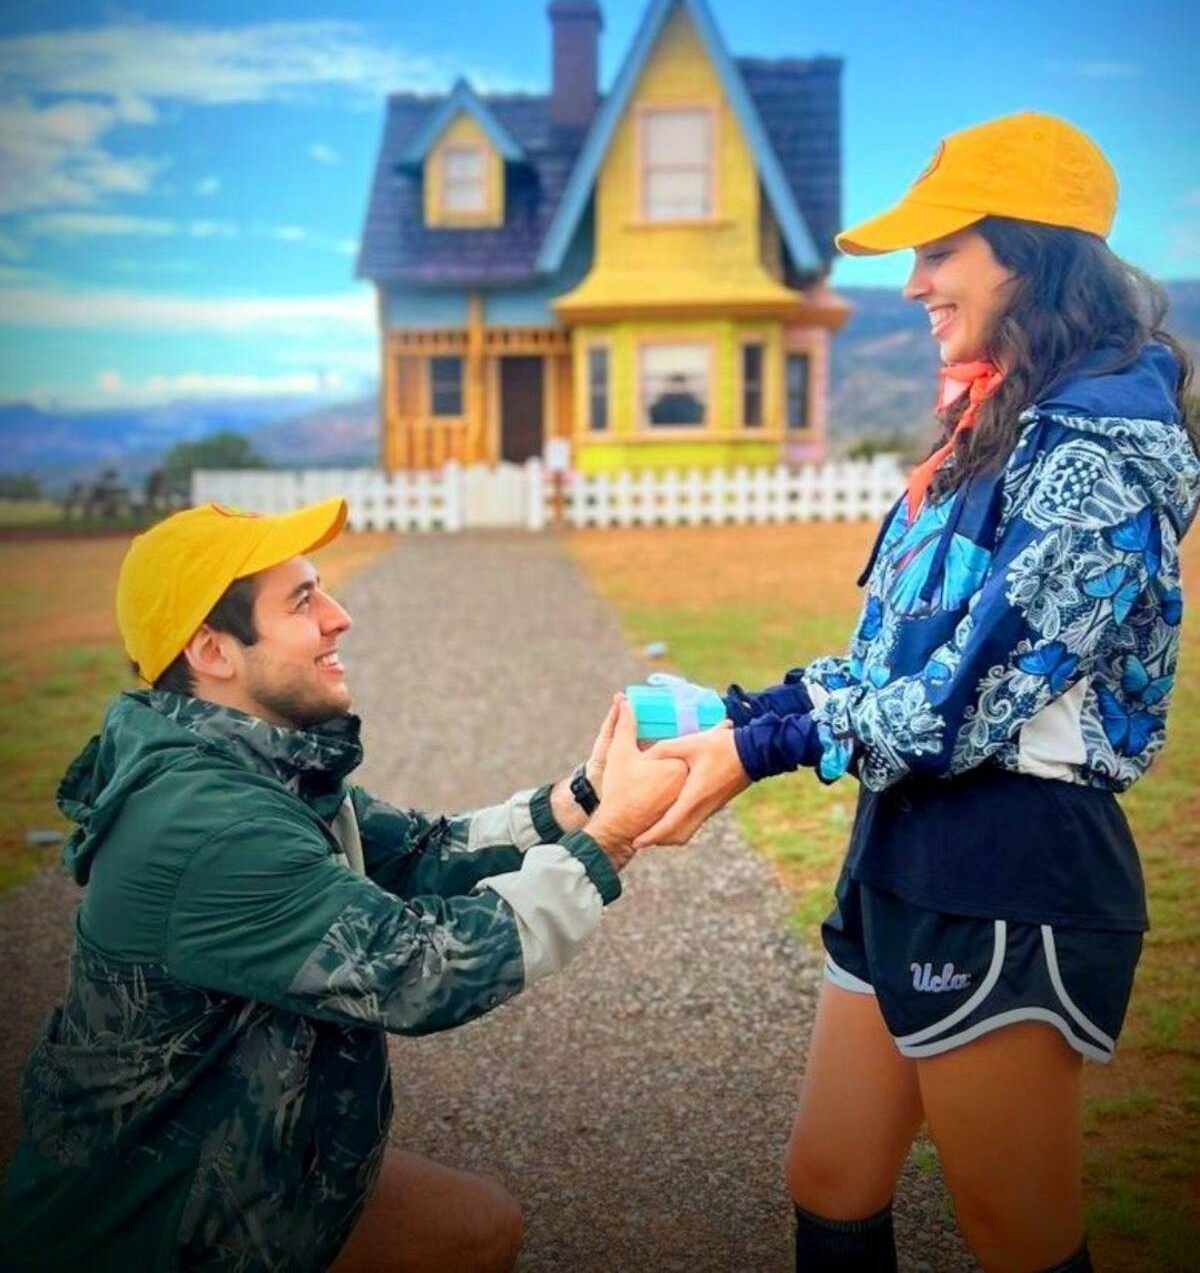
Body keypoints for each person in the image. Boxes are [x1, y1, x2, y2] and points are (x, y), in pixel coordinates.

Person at [635, 112, 1200, 1272]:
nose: (912, 284)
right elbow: (891, 662)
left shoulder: (1096, 458)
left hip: (1011, 864)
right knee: (831, 1178)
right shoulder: (996, 430)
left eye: (940, 251)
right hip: (903, 844)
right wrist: (745, 715)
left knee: (1015, 1230)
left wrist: (764, 750)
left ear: (1032, 257)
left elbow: (958, 710)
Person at [1, 499, 686, 1273]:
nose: (340, 616)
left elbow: (420, 853)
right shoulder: (213, 827)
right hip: (162, 1224)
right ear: (213, 651)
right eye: (303, 601)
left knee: (476, 1229)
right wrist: (611, 839)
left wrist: (585, 798)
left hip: (255, 1168)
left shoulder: (251, 767)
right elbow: (427, 970)